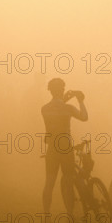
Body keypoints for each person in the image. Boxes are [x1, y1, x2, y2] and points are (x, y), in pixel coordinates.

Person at [41, 78, 88, 215]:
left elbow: (56, 107)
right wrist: (80, 100)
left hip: (52, 148)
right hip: (66, 147)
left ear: (50, 91)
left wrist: (64, 98)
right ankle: (69, 211)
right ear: (62, 90)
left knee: (49, 182)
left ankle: (46, 213)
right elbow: (84, 117)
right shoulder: (68, 108)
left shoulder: (44, 109)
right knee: (68, 180)